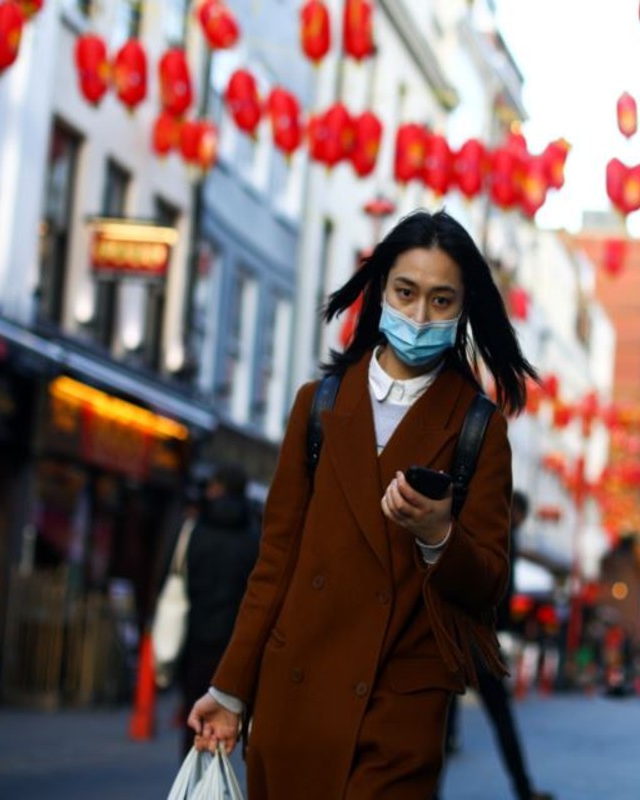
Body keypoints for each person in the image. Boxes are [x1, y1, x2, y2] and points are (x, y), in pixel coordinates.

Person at [186, 210, 537, 799]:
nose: (420, 316)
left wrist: (438, 535)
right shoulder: (318, 405)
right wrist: (229, 690)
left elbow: (490, 583)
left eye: (441, 301)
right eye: (406, 292)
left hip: (397, 711)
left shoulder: (479, 428)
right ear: (380, 293)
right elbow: (275, 562)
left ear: (464, 310)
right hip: (297, 694)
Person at [440, 490, 553, 800]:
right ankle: (523, 787)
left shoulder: (487, 527)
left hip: (461, 634)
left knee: (445, 719)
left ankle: (432, 792)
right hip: (479, 638)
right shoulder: (502, 535)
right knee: (498, 717)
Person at [179, 464, 259, 754]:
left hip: (198, 632)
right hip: (233, 638)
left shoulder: (198, 528)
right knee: (224, 715)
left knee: (195, 716)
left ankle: (192, 782)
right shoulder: (253, 534)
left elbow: (186, 578)